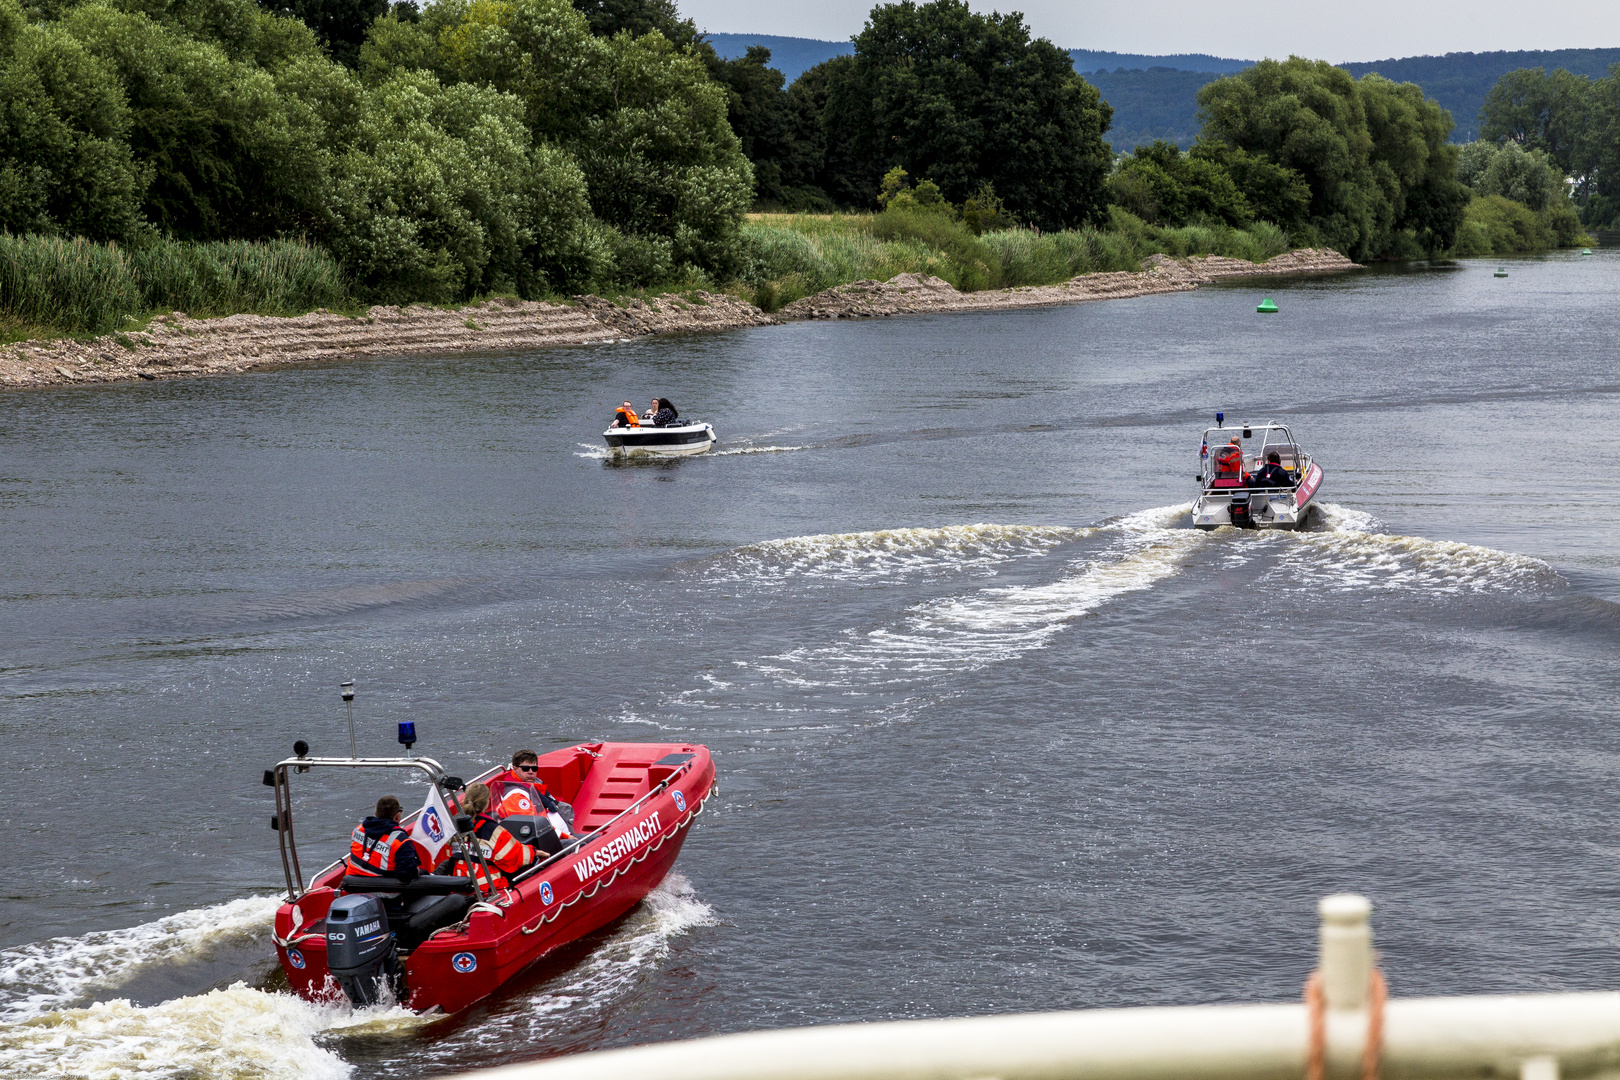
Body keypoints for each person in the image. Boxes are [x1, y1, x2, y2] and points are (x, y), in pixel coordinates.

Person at [438, 784, 533, 891]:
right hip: (488, 887)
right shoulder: (492, 830)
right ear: (486, 803)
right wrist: (534, 851)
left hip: (459, 886)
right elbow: (515, 857)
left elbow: (449, 853)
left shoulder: (453, 828)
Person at [492, 750, 574, 833]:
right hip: (551, 840)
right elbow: (531, 825)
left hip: (558, 834)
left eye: (534, 768)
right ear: (515, 768)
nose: (531, 772)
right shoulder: (516, 795)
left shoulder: (533, 784)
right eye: (525, 769)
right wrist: (565, 836)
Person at [347, 796, 422, 883]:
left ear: (376, 813)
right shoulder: (400, 841)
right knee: (423, 875)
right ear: (397, 816)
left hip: (352, 884)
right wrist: (418, 870)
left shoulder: (359, 829)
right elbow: (407, 875)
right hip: (382, 890)